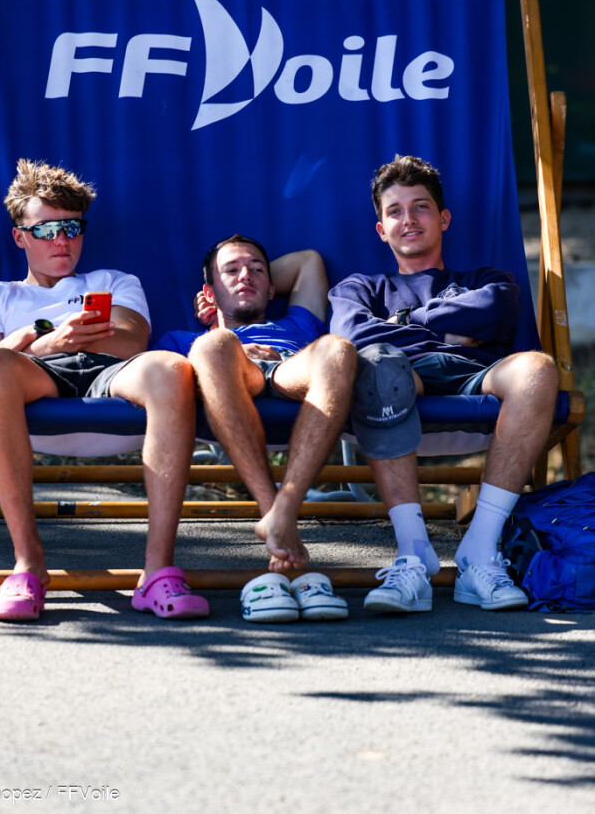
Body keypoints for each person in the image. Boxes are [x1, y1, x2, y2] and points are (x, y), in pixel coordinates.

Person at [0, 159, 209, 623]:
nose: (62, 240)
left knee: (171, 367)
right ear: (19, 236)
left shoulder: (114, 281)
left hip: (109, 373)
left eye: (72, 227)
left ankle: (157, 572)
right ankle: (28, 566)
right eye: (46, 230)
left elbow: (131, 341)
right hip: (34, 376)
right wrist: (47, 341)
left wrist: (33, 340)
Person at [329, 154, 559, 614]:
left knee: (538, 369)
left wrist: (403, 322)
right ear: (381, 229)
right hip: (400, 379)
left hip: (478, 376)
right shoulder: (360, 288)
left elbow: (497, 309)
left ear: (444, 218)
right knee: (377, 365)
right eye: (395, 211)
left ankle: (479, 552)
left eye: (421, 207)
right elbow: (351, 335)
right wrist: (447, 330)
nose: (409, 220)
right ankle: (414, 554)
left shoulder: (485, 280)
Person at [155, 235, 357, 622]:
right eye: (231, 270)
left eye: (257, 270)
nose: (245, 275)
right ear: (208, 291)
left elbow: (308, 259)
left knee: (338, 348)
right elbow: (166, 384)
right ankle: (275, 517)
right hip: (228, 373)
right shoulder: (183, 340)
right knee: (214, 346)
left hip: (291, 369)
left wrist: (234, 280)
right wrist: (231, 337)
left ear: (274, 287)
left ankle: (283, 514)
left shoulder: (298, 322)